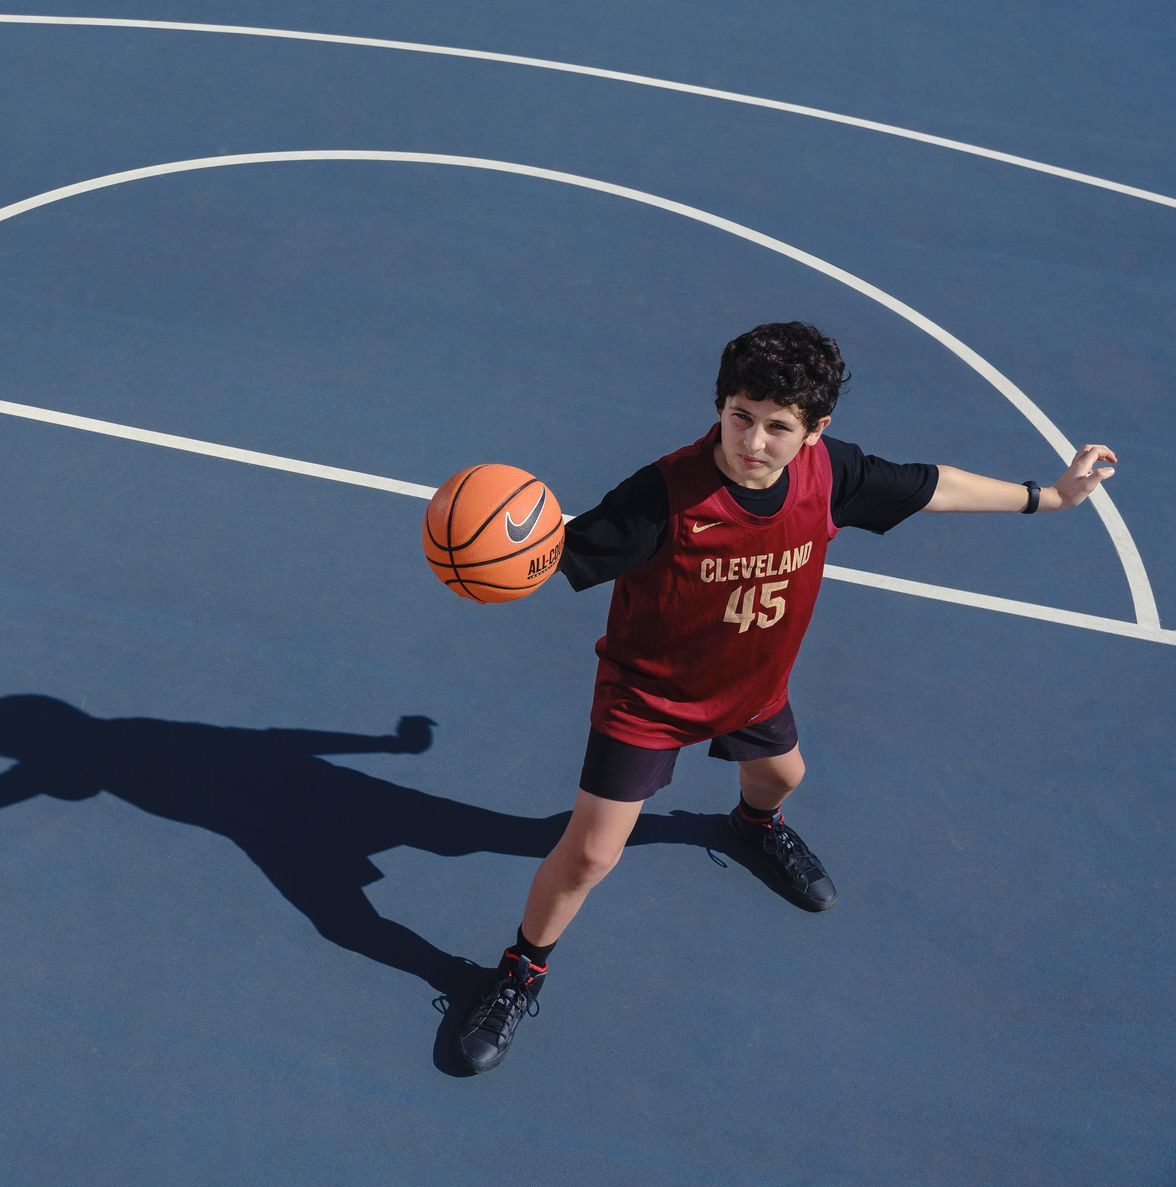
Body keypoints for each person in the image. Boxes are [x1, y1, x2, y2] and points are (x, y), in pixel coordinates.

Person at [456, 321, 1117, 1074]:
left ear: (814, 430)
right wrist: (495, 559)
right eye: (740, 416)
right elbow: (557, 553)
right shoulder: (662, 495)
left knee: (784, 777)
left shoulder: (830, 475)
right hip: (650, 700)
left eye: (778, 427)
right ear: (720, 405)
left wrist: (1049, 495)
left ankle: (753, 824)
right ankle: (521, 971)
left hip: (753, 686)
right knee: (590, 855)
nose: (753, 441)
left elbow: (931, 485)